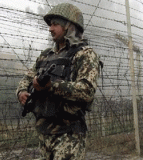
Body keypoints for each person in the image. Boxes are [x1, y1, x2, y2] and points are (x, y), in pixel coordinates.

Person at [16, 3, 100, 160]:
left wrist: (51, 86)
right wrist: (21, 92)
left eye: (55, 24)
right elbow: (27, 77)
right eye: (50, 24)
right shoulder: (46, 56)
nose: (50, 28)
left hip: (69, 135)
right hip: (44, 132)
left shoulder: (85, 55)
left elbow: (87, 91)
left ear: (69, 26)